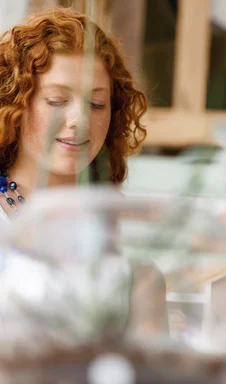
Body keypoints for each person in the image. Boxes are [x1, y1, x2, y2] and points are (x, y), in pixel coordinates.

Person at [0, 7, 167, 338]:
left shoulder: (126, 232)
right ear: (14, 104)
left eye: (96, 104)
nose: (79, 120)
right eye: (57, 100)